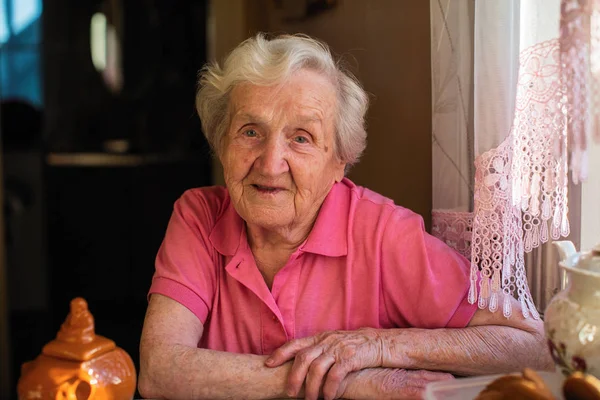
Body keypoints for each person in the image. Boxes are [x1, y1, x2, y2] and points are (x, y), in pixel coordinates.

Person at [138, 33, 553, 400]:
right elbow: (159, 372)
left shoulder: (383, 234)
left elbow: (529, 345)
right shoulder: (199, 215)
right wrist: (343, 382)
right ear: (221, 141)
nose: (270, 163)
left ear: (339, 163)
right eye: (250, 131)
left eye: (301, 138)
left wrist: (380, 347)